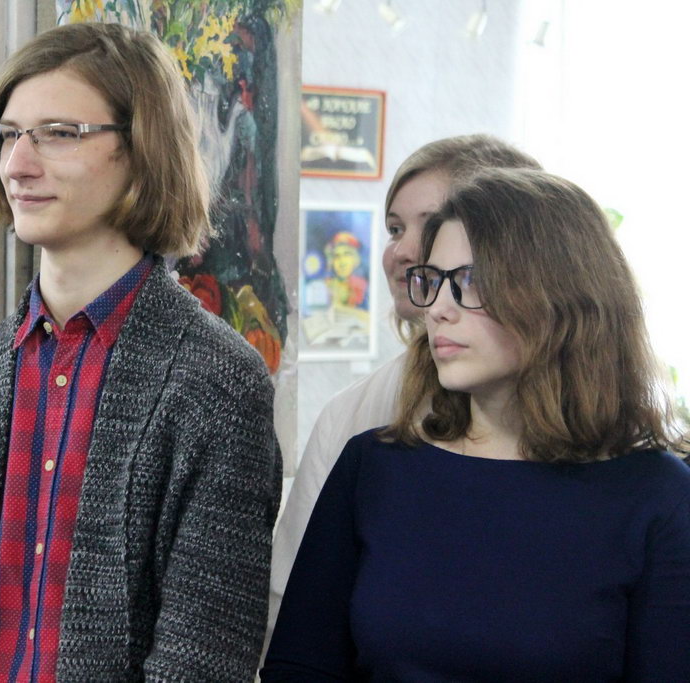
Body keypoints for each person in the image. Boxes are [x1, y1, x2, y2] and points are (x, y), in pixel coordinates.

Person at [0, 22, 281, 682]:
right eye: (9, 135)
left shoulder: (218, 383)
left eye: (59, 133)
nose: (18, 164)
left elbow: (201, 660)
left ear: (141, 149)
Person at [262, 168, 690, 680]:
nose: (437, 310)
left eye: (471, 280)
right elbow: (301, 667)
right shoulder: (373, 468)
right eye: (432, 281)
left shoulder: (657, 495)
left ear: (560, 298)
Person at [267, 135, 541, 644]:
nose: (402, 251)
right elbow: (292, 603)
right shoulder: (351, 415)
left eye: (432, 225)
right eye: (395, 229)